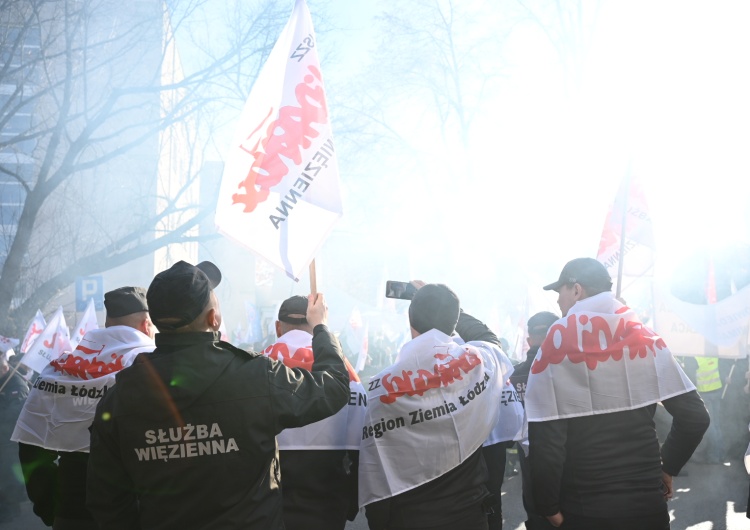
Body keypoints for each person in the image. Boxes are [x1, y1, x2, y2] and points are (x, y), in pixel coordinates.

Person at [86, 261, 350, 529]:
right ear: (214, 318)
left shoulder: (119, 398)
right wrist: (320, 327)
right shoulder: (257, 376)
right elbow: (332, 387)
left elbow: (106, 499)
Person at [526, 257, 710, 530]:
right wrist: (667, 467)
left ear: (576, 290)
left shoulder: (557, 341)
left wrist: (548, 507)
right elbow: (695, 417)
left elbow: (547, 440)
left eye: (559, 291)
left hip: (584, 511)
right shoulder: (644, 336)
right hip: (649, 507)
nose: (557, 301)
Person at [360, 283, 514, 530]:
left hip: (409, 517)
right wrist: (451, 309)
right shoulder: (478, 363)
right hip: (470, 514)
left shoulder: (382, 387)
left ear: (410, 320)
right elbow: (490, 340)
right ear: (454, 322)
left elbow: (376, 463)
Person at [12, 287, 156, 529]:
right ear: (146, 324)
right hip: (137, 511)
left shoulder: (58, 368)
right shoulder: (153, 365)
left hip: (72, 509)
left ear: (108, 324)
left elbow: (32, 446)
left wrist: (52, 509)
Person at [261, 295, 366, 530]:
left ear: (278, 327)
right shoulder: (344, 369)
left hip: (269, 498)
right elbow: (359, 446)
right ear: (318, 323)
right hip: (326, 501)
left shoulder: (254, 364)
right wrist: (351, 503)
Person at [509, 311, 558, 530]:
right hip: (571, 472)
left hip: (532, 472)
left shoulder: (513, 376)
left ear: (529, 341)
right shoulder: (570, 367)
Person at [0, 354, 30, 523]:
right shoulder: (2, 380)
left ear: (5, 368)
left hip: (9, 442)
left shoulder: (17, 384)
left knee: (8, 478)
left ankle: (11, 512)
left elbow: (16, 413)